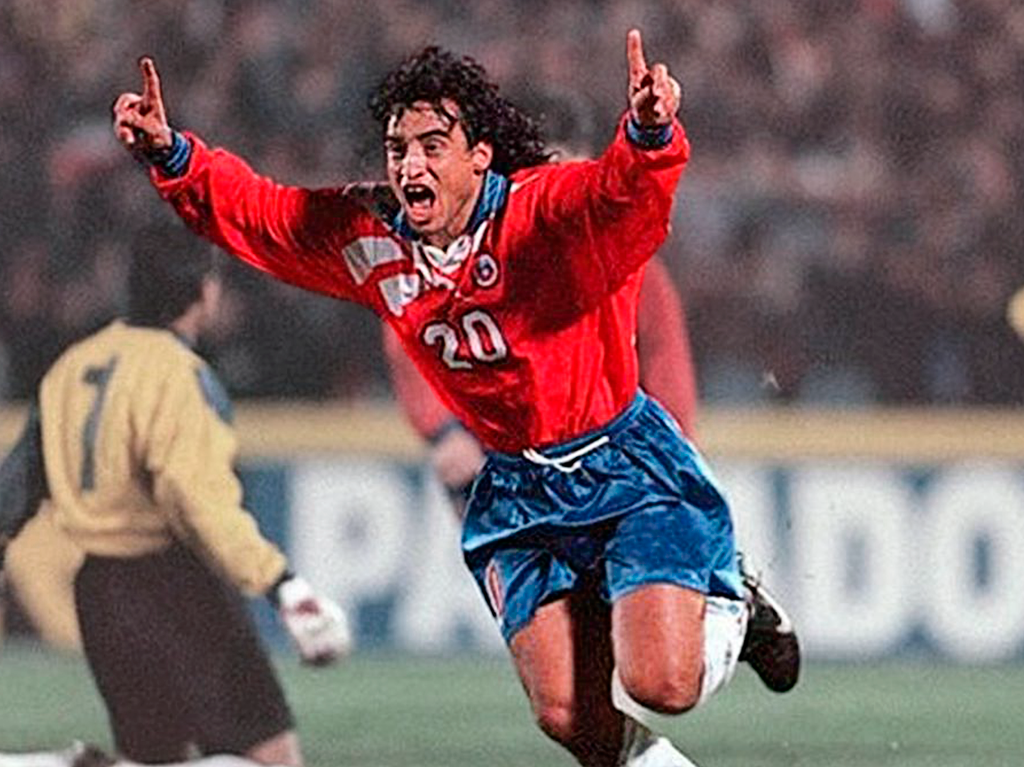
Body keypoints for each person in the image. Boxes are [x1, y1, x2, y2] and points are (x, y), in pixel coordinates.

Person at [112, 31, 799, 767]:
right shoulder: (373, 237)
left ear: (479, 156)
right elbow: (265, 215)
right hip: (517, 492)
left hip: (623, 468)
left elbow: (623, 195)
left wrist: (649, 135)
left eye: (432, 146)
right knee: (568, 714)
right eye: (397, 148)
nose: (410, 165)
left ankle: (738, 607)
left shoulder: (541, 211)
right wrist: (172, 157)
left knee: (660, 684)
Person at [0, 222, 352, 767]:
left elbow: (16, 486)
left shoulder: (73, 366)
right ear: (204, 289)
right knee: (271, 759)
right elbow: (200, 504)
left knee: (154, 760)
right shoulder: (177, 375)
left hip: (99, 594)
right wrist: (282, 585)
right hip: (175, 585)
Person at [383, 253, 699, 517]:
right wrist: (446, 430)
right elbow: (409, 328)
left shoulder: (629, 262)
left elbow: (666, 366)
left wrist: (669, 462)